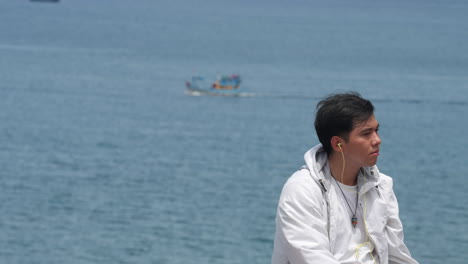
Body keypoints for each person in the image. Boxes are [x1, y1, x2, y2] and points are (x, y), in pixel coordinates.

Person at [272, 92, 418, 264]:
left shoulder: (381, 186)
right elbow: (311, 258)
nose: (377, 140)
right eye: (366, 133)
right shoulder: (302, 190)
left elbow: (397, 257)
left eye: (376, 130)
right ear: (337, 144)